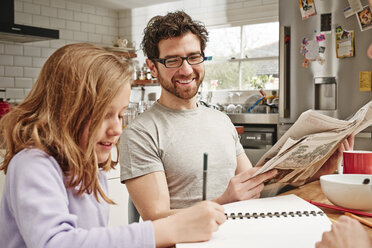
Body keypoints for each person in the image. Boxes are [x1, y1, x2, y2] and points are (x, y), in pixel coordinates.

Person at [119, 11, 353, 221]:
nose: (187, 69)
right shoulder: (141, 133)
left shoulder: (220, 120)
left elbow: (256, 190)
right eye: (173, 60)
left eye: (193, 57)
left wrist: (317, 174)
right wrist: (224, 201)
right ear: (152, 67)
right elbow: (156, 219)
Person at [0, 43, 226, 248]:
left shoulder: (89, 164)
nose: (117, 129)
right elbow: (56, 243)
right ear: (65, 110)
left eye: (120, 114)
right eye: (104, 115)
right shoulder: (33, 165)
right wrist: (171, 228)